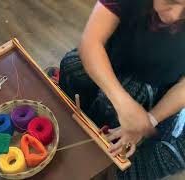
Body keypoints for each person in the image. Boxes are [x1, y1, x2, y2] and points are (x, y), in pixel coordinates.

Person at [58, 0, 185, 179]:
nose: (174, 17)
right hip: (117, 56)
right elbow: (91, 42)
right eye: (171, 1)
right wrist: (122, 102)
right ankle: (73, 122)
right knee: (72, 68)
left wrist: (151, 118)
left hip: (161, 84)